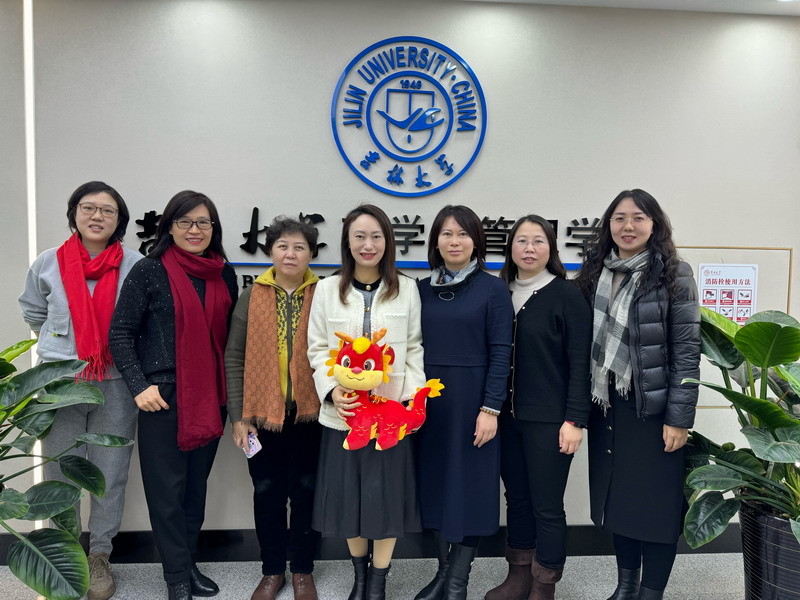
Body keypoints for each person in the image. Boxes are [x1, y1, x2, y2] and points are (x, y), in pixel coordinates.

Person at [109, 191, 238, 600]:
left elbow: (231, 340)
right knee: (166, 493)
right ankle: (177, 578)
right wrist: (139, 386)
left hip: (210, 395)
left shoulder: (224, 274)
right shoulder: (149, 271)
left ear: (214, 228)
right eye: (185, 222)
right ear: (169, 226)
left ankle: (189, 564)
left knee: (194, 490)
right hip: (162, 396)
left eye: (203, 222)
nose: (194, 230)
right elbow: (120, 333)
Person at [573, 189, 700, 600]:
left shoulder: (674, 274)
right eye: (619, 218)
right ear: (608, 225)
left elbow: (687, 350)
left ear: (654, 224)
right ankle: (626, 586)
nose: (628, 226)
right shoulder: (594, 273)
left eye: (638, 218)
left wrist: (679, 418)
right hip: (606, 405)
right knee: (619, 502)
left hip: (653, 409)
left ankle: (650, 592)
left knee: (658, 508)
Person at [18, 181, 142, 600]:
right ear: (74, 213)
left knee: (111, 471)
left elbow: (144, 320)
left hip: (117, 383)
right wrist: (66, 347)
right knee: (60, 467)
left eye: (107, 210)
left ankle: (100, 554)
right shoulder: (48, 262)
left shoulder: (135, 265)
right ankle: (66, 551)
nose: (97, 217)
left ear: (119, 220)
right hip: (60, 383)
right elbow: (33, 310)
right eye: (88, 208)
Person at [307, 204, 426, 600]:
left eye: (376, 236)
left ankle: (378, 581)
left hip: (389, 418)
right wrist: (331, 390)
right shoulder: (327, 289)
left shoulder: (406, 289)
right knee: (348, 501)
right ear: (347, 242)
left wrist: (408, 401)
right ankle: (359, 578)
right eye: (359, 236)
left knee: (385, 500)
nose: (368, 244)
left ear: (388, 241)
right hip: (343, 418)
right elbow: (317, 348)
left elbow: (414, 348)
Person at [485, 215, 592, 600]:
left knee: (547, 506)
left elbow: (581, 362)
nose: (529, 248)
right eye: (521, 241)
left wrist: (575, 419)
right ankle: (518, 576)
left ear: (551, 248)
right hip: (506, 418)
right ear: (509, 248)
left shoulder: (567, 295)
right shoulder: (499, 292)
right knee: (517, 500)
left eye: (538, 241)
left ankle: (544, 584)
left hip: (551, 421)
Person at [414, 205, 513, 600]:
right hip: (429, 404)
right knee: (435, 485)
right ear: (435, 241)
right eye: (447, 234)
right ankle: (442, 574)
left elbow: (502, 352)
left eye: (463, 234)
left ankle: (458, 582)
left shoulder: (493, 289)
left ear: (476, 241)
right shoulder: (420, 289)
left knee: (470, 488)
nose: (454, 241)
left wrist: (490, 409)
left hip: (474, 402)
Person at [225, 216, 321, 600]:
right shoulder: (252, 296)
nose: (290, 253)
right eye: (283, 246)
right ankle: (272, 571)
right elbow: (234, 356)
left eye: (299, 247)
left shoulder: (325, 294)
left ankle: (303, 571)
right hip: (262, 416)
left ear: (311, 254)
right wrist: (239, 417)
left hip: (313, 416)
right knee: (267, 494)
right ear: (270, 252)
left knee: (307, 493)